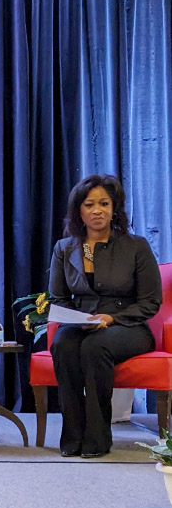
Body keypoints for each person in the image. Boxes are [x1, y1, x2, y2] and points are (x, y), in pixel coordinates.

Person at [49, 174, 162, 458]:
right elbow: (58, 298)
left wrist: (110, 319)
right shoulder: (66, 248)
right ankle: (72, 434)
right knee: (63, 344)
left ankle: (97, 436)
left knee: (95, 346)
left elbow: (150, 301)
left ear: (114, 209)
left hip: (128, 324)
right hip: (82, 321)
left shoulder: (136, 246)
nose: (97, 210)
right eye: (89, 204)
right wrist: (78, 318)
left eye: (104, 204)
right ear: (79, 210)